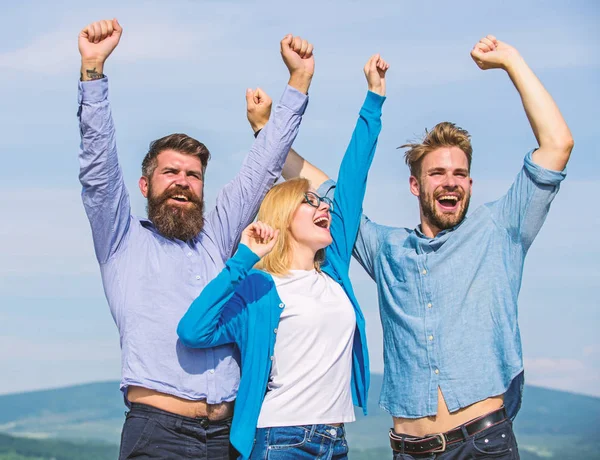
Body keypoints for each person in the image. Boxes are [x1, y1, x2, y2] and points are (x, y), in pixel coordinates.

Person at [280, 35, 574, 459]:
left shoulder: (500, 229)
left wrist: (511, 61)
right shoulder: (387, 249)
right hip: (409, 450)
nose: (450, 180)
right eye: (437, 173)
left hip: (483, 445)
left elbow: (557, 145)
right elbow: (329, 191)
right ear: (416, 186)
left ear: (469, 184)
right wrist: (267, 133)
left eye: (459, 173)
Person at [77, 18, 314, 460]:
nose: (182, 182)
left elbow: (262, 169)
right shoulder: (120, 241)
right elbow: (98, 170)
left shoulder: (216, 240)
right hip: (158, 435)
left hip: (229, 436)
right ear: (146, 186)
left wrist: (297, 83)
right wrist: (93, 72)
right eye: (170, 172)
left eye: (193, 175)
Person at [177, 55, 389, 460]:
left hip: (335, 441)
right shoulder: (259, 288)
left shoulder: (335, 270)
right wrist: (241, 260)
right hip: (279, 440)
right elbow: (193, 330)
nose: (322, 205)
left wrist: (374, 99)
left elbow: (352, 180)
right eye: (308, 201)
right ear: (285, 217)